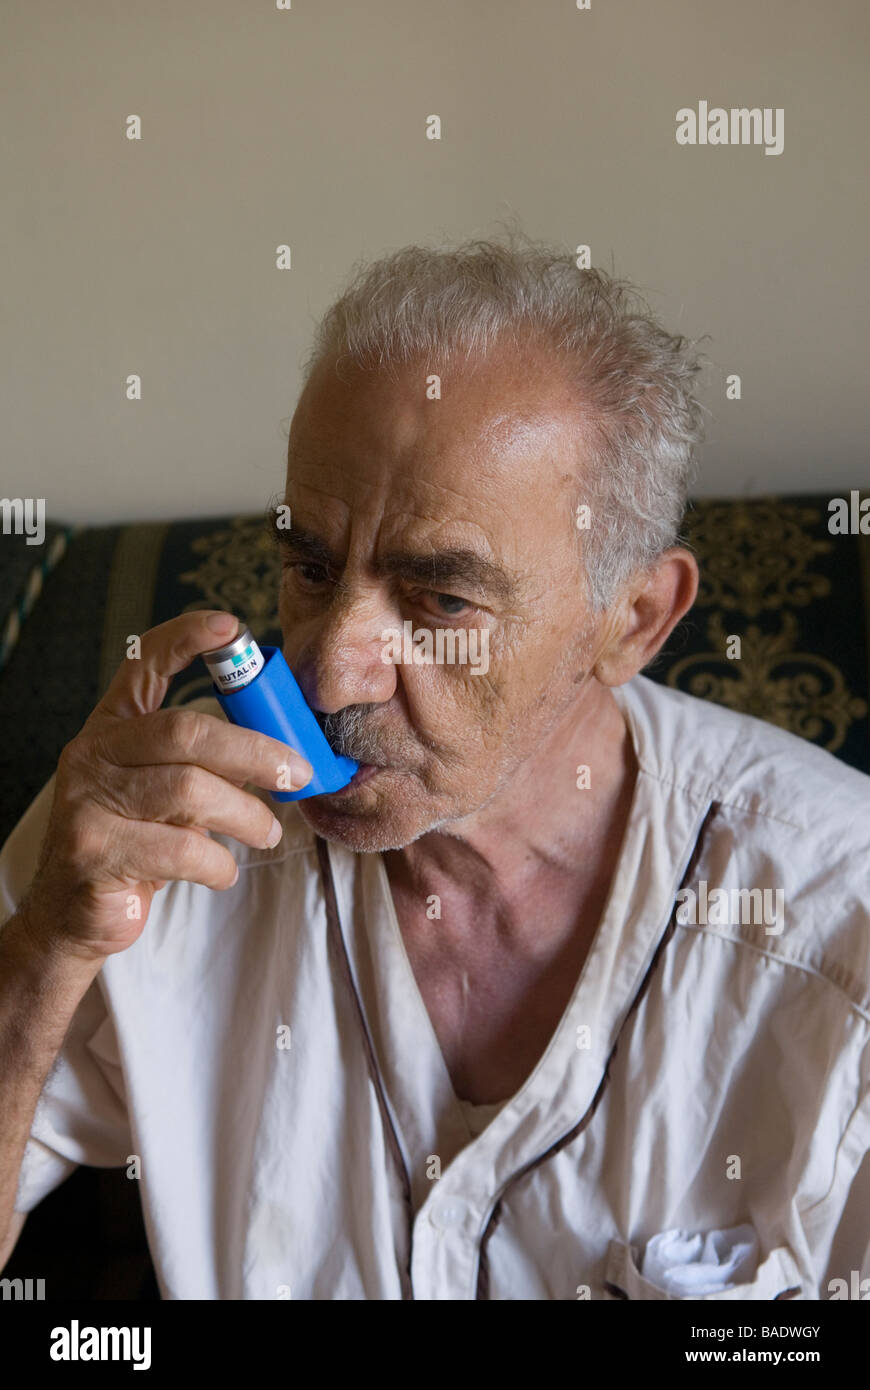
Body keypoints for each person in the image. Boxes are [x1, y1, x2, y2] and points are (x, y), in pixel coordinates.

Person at [1, 236, 868, 1300]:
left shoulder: (839, 926)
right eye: (311, 568)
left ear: (633, 619)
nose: (326, 673)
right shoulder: (142, 835)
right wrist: (43, 947)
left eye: (441, 601)